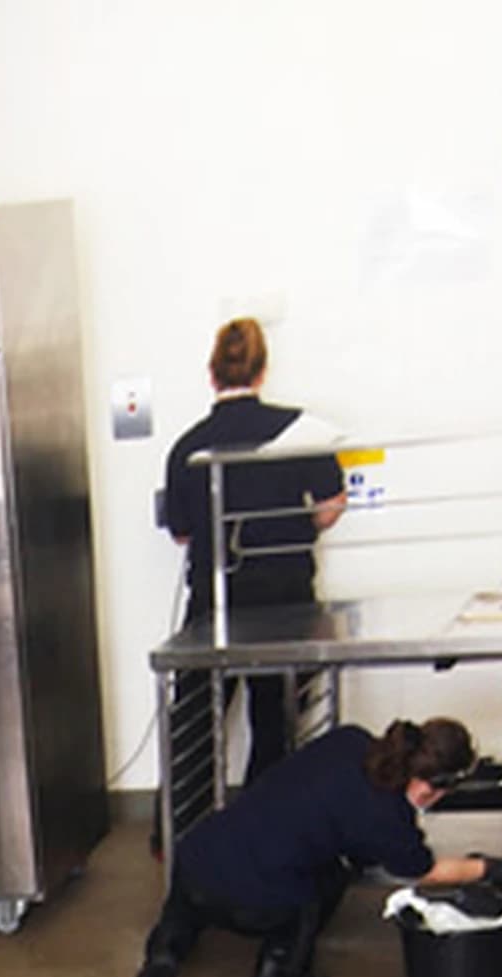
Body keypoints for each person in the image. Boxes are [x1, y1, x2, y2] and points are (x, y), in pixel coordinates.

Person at [134, 717, 502, 977]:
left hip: (197, 858)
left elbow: (326, 800)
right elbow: (423, 871)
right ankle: (280, 972)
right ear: (436, 786)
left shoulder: (350, 739)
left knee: (202, 886)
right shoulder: (387, 818)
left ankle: (163, 956)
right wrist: (492, 868)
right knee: (327, 877)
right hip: (251, 902)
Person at [162, 317, 348, 783]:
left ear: (212, 375)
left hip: (215, 598)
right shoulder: (302, 431)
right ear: (262, 373)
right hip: (285, 597)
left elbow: (182, 532)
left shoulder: (187, 447)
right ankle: (268, 830)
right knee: (276, 718)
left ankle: (179, 833)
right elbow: (331, 507)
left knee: (195, 720)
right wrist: (290, 528)